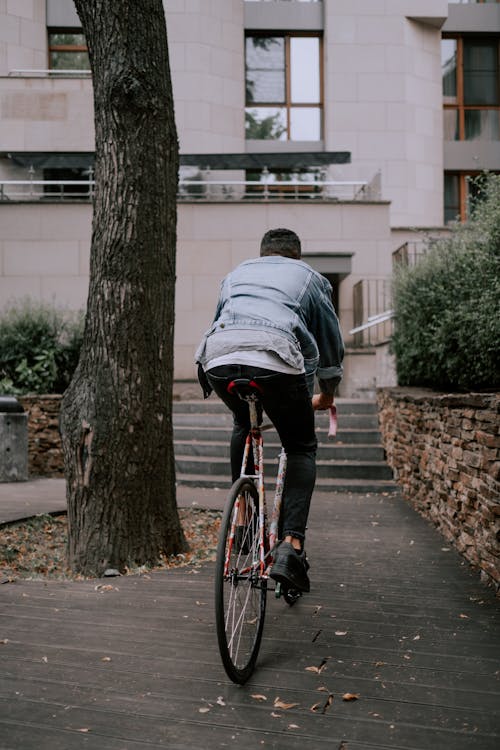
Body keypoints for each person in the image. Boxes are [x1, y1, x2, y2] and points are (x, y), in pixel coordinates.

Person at [195, 228, 344, 593]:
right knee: (300, 446)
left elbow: (221, 320)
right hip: (276, 360)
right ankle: (291, 547)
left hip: (218, 360)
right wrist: (327, 393)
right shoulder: (309, 278)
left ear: (261, 254)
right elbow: (330, 347)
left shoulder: (236, 274)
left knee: (243, 424)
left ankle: (244, 514)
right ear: (296, 255)